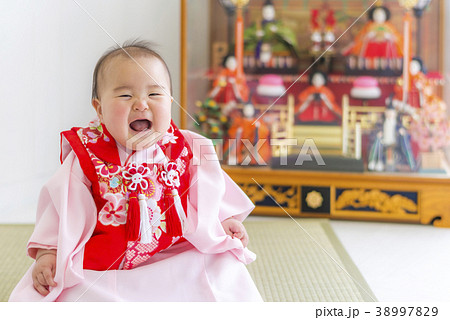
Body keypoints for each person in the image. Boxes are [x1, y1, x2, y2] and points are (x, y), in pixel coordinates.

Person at [9, 40, 262, 302]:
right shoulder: (88, 156)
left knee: (223, 265)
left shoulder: (186, 147)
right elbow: (62, 207)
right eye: (125, 95)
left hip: (173, 254)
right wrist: (48, 252)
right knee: (67, 289)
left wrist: (223, 220)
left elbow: (208, 192)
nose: (141, 104)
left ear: (170, 102)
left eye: (154, 94)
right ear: (100, 109)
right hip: (107, 267)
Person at [343, 5, 403, 72]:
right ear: (372, 15)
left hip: (386, 49)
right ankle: (368, 67)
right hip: (371, 48)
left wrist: (389, 36)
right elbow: (360, 38)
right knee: (368, 45)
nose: (378, 16)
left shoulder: (389, 27)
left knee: (388, 45)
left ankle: (388, 68)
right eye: (376, 15)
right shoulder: (368, 26)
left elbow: (397, 39)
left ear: (385, 15)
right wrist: (369, 36)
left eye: (381, 15)